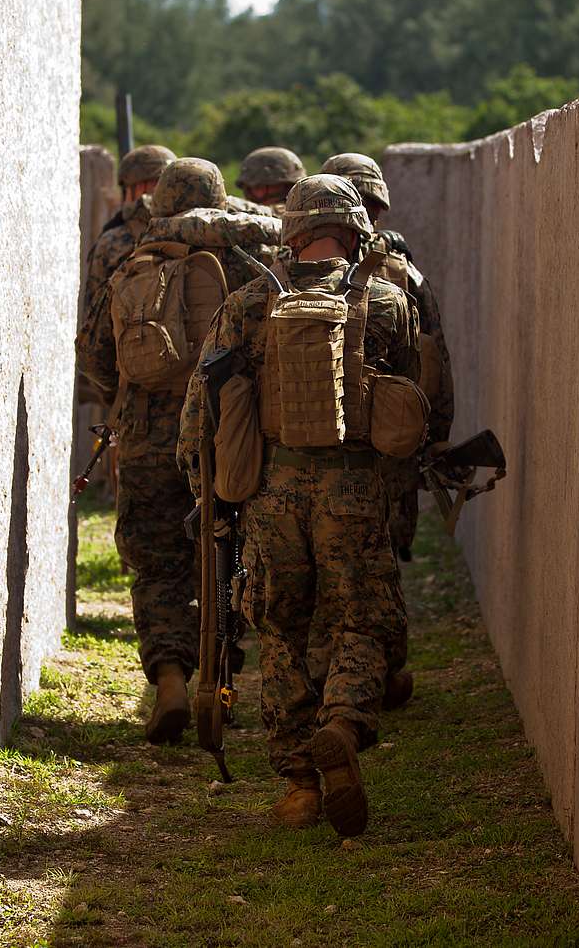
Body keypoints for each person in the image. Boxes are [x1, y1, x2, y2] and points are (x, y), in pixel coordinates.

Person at [178, 175, 418, 837]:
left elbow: (201, 413)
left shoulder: (249, 302)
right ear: (351, 226)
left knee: (281, 628)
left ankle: (299, 784)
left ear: (293, 229)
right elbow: (420, 408)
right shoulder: (391, 302)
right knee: (361, 622)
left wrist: (211, 496)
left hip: (272, 493)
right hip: (355, 490)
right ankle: (341, 723)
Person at [78, 157, 274, 745]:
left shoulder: (137, 255)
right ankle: (218, 680)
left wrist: (125, 397)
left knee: (157, 564)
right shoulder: (251, 260)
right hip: (227, 440)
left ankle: (167, 676)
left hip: (147, 437)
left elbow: (95, 352)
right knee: (225, 558)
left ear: (158, 202)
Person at [320, 153, 456, 562]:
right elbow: (435, 360)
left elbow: (433, 357)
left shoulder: (293, 267)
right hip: (382, 443)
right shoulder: (401, 274)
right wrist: (434, 439)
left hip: (323, 443)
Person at [76, 144, 177, 410]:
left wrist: (116, 402)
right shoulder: (202, 237)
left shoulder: (113, 241)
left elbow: (94, 341)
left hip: (136, 396)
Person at [236, 146, 306, 211]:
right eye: (256, 187)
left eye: (269, 185)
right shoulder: (241, 212)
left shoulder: (306, 212)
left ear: (289, 186)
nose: (260, 192)